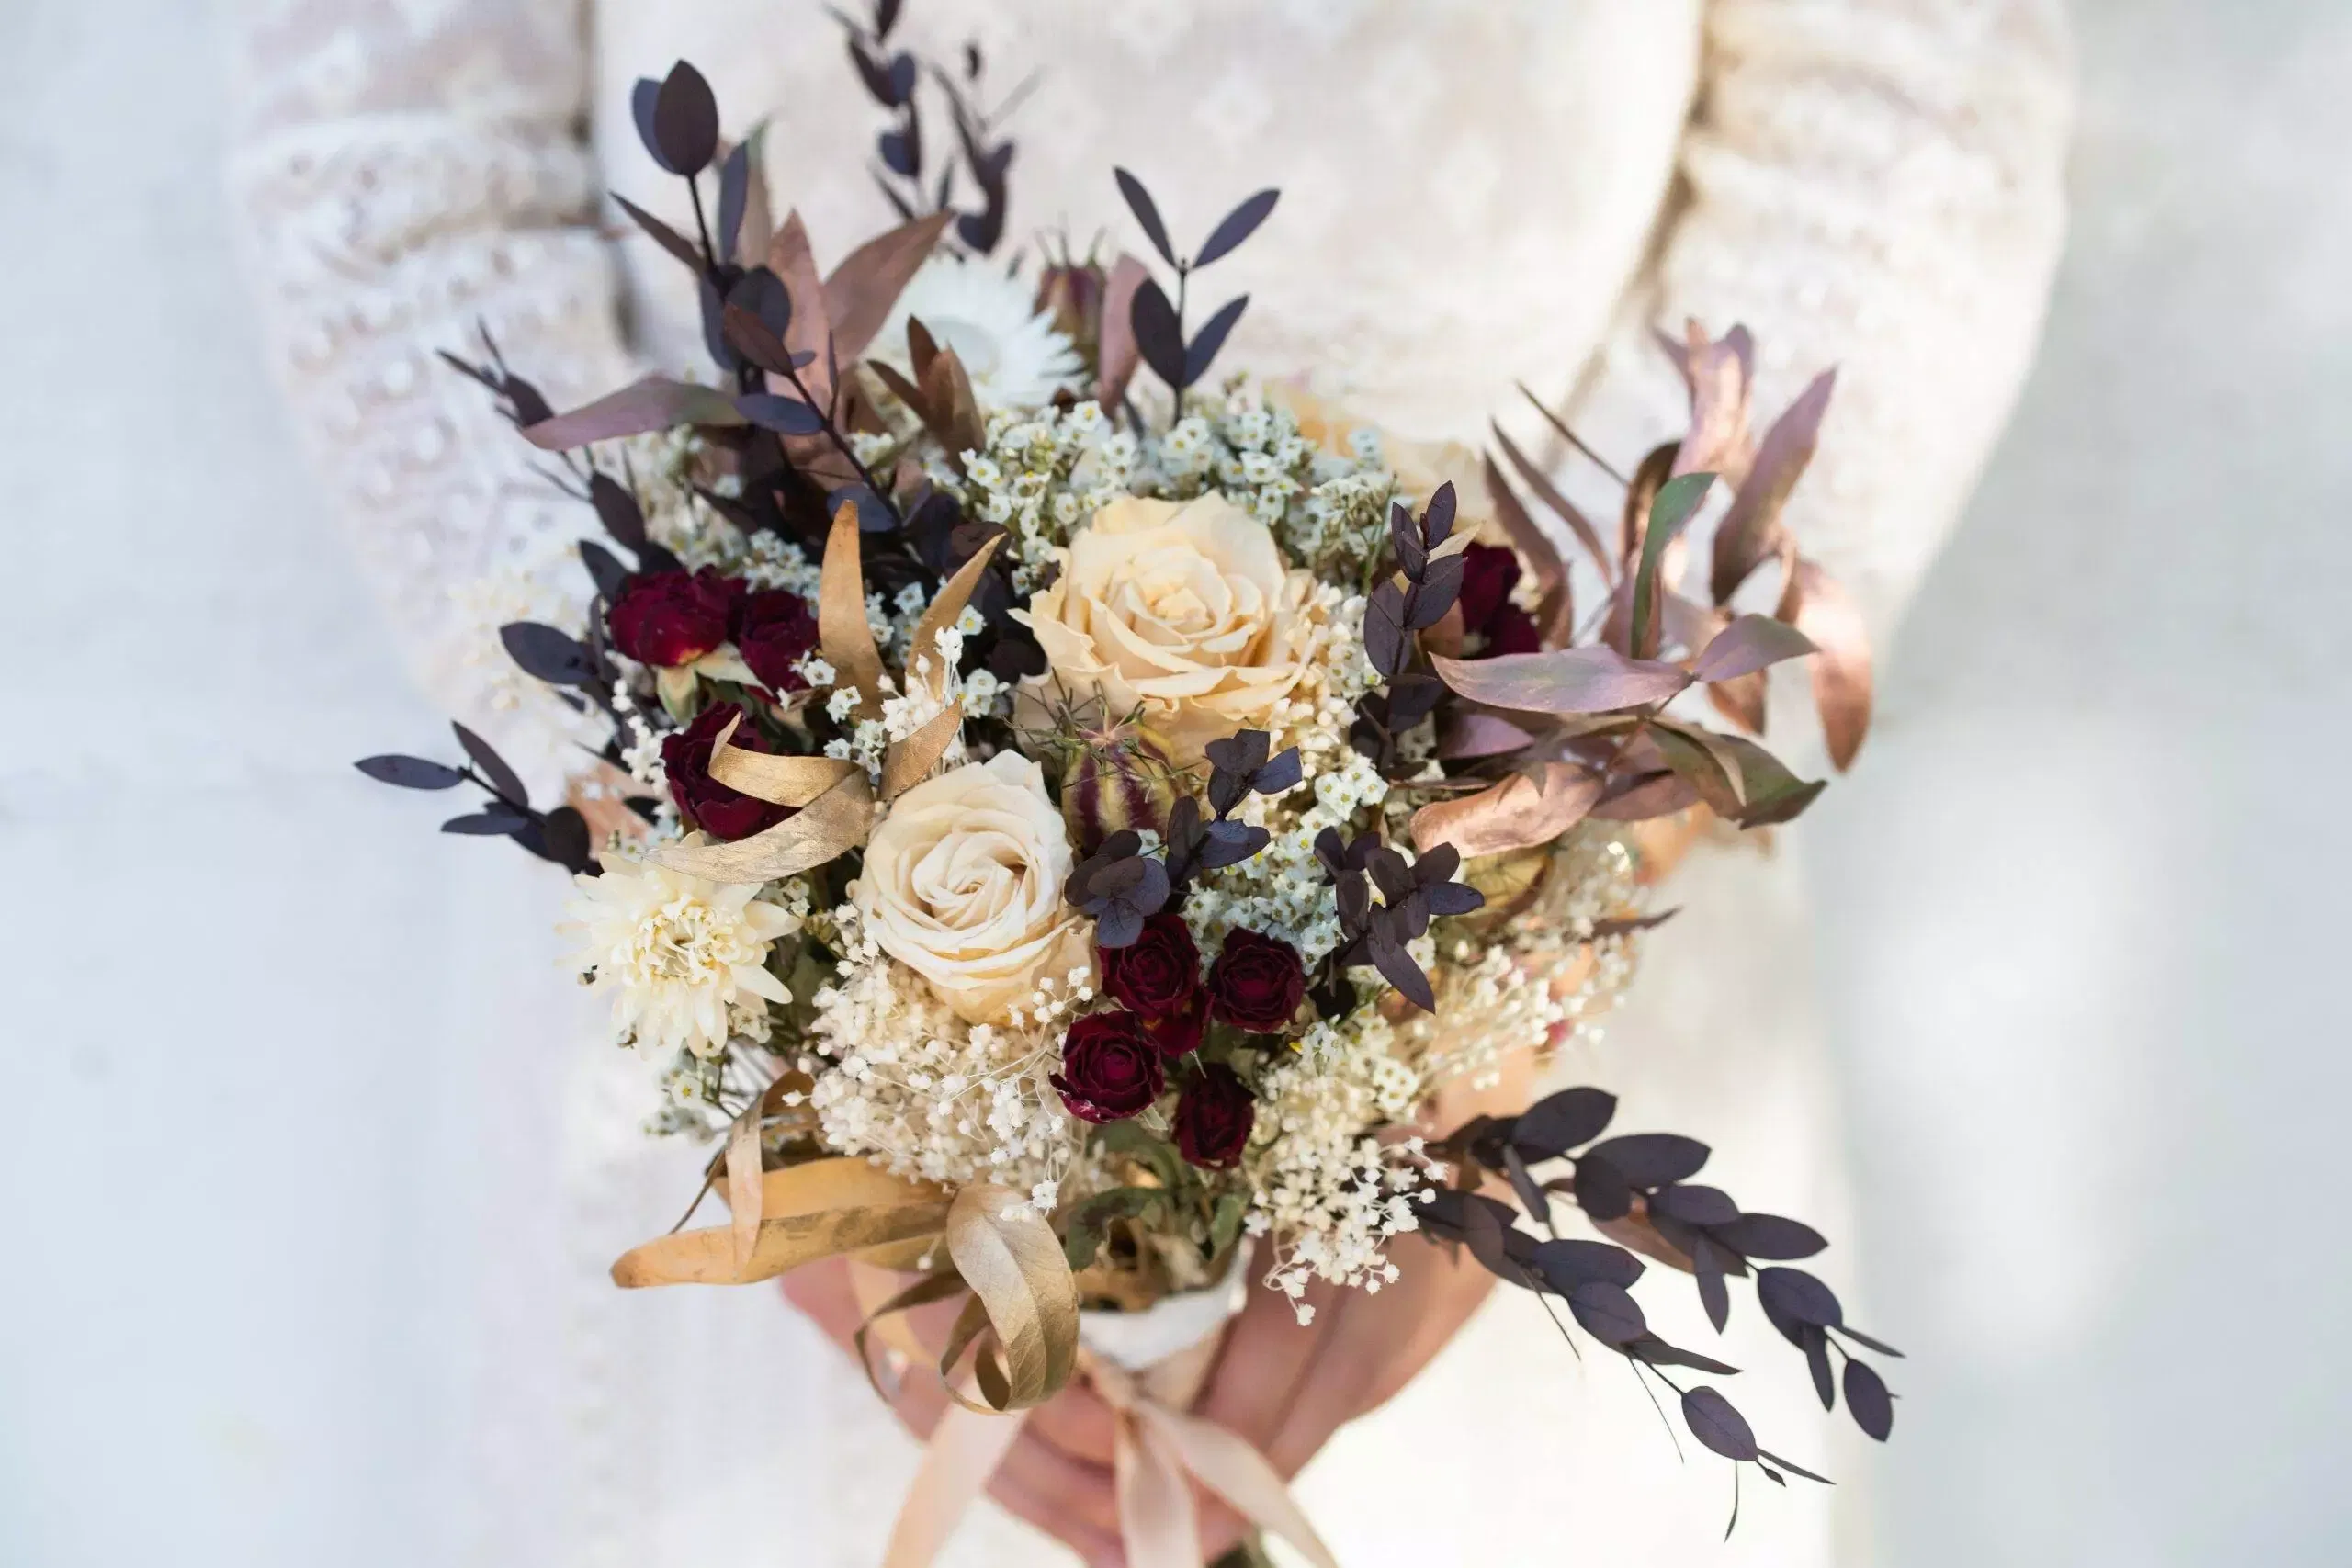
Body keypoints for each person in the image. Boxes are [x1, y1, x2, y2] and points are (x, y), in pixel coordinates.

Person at [228, 2, 2071, 1562]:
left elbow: (1908, 111)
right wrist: (756, 937)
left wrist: (1543, 888)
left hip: (1553, 957)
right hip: (731, 969)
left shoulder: (1543, 938)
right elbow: (390, 164)